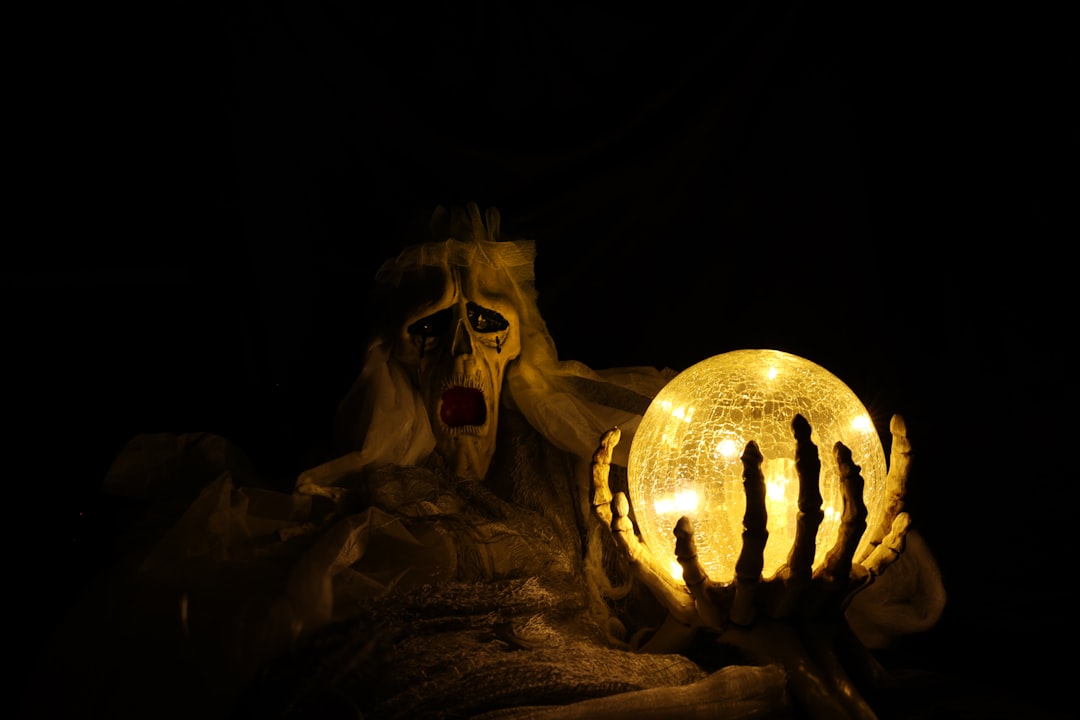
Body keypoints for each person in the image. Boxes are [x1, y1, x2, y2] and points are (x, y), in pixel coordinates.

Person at [30, 204, 944, 719]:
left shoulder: (583, 455)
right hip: (420, 669)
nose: (465, 353)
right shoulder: (350, 489)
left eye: (488, 325)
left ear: (519, 343)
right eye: (433, 330)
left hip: (569, 660)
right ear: (393, 354)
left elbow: (669, 575)